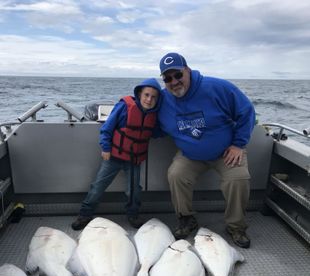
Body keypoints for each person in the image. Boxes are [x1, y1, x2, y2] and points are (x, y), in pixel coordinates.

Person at [157, 52, 255, 248]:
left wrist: (238, 144)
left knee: (238, 178)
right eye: (168, 78)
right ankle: (186, 218)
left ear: (188, 71)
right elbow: (150, 120)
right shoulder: (163, 100)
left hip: (226, 152)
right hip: (190, 155)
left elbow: (247, 111)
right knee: (176, 174)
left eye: (177, 75)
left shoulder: (217, 87)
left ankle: (236, 226)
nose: (174, 81)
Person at [71, 78, 161, 230]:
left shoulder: (154, 114)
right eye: (146, 95)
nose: (149, 99)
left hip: (134, 159)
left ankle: (133, 214)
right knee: (98, 186)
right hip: (113, 156)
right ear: (139, 94)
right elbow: (107, 128)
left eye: (153, 97)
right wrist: (105, 148)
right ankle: (85, 214)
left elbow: (157, 132)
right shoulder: (124, 107)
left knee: (134, 190)